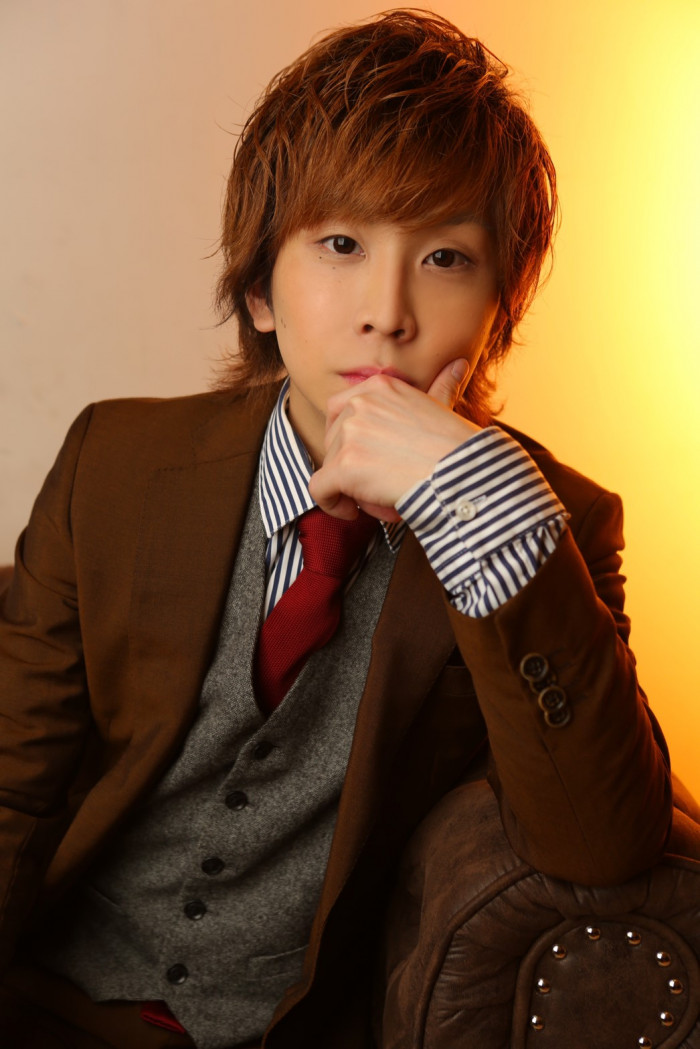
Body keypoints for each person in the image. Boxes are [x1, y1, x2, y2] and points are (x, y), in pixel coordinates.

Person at [0, 9, 672, 1049]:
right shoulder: (116, 465)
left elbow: (602, 843)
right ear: (259, 288)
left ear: (500, 307)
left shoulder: (558, 523)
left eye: (445, 257)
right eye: (342, 244)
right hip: (48, 991)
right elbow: (11, 777)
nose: (387, 312)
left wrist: (475, 507)